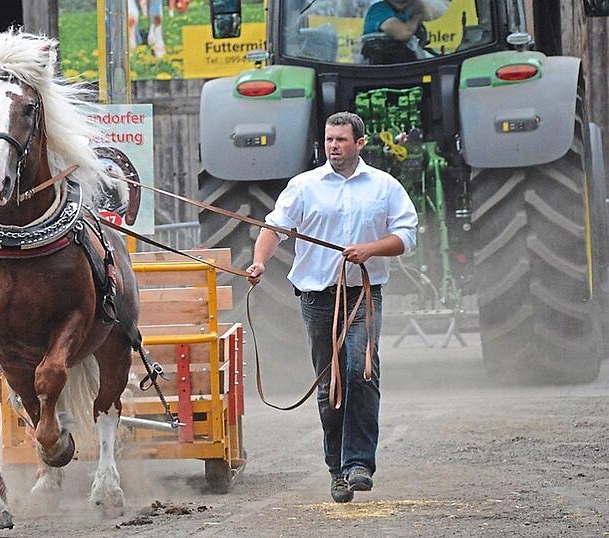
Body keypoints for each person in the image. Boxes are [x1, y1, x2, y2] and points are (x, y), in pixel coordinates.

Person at [247, 112, 418, 503]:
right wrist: (259, 262)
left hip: (363, 295)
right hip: (316, 299)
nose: (333, 146)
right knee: (330, 386)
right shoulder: (304, 186)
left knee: (360, 371)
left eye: (341, 139)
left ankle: (359, 464)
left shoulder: (385, 186)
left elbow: (406, 236)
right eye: (329, 139)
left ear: (360, 143)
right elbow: (275, 228)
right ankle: (337, 470)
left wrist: (370, 250)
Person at [362, 0, 427, 64]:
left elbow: (430, 14)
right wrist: (416, 17)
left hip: (406, 65)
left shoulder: (408, 10)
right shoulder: (378, 9)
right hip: (380, 66)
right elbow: (403, 34)